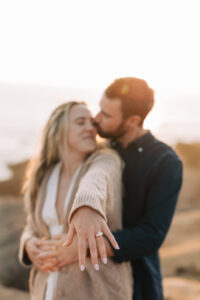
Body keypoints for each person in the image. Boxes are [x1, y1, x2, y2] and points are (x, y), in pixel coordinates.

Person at [63, 78, 183, 300]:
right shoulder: (97, 150)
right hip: (87, 283)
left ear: (132, 121)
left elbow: (152, 234)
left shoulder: (166, 162)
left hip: (139, 284)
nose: (96, 119)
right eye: (100, 109)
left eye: (106, 115)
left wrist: (85, 247)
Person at [19, 101, 133, 300]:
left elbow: (96, 179)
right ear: (59, 130)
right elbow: (32, 224)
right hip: (46, 289)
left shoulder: (105, 160)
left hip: (98, 291)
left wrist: (87, 205)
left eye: (92, 123)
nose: (90, 128)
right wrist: (28, 244)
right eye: (81, 122)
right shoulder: (44, 176)